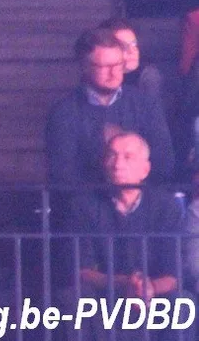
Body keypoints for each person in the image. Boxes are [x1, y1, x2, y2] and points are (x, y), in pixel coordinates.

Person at [68, 132, 184, 326]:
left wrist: (148, 288)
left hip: (154, 294)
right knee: (72, 300)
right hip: (104, 292)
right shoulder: (84, 206)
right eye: (111, 156)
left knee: (183, 303)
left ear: (145, 170)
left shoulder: (166, 206)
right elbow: (82, 269)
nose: (117, 164)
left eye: (128, 157)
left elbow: (175, 274)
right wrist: (125, 283)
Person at [46, 27, 174, 189]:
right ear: (85, 67)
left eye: (118, 65)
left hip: (142, 198)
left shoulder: (146, 105)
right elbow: (63, 174)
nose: (114, 73)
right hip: (86, 201)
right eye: (104, 67)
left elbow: (163, 164)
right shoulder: (64, 113)